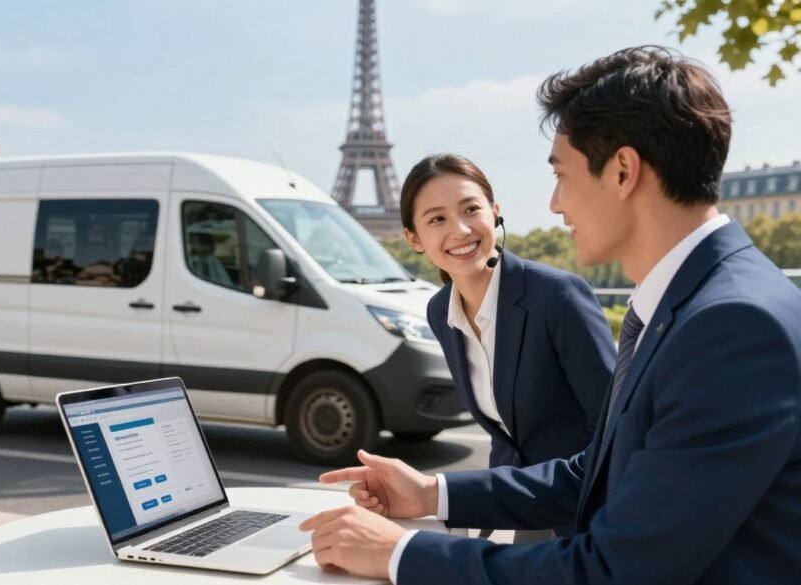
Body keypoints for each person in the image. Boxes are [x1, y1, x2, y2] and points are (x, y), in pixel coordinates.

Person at [300, 45, 801, 584]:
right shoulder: (697, 302)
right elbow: (601, 472)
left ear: (623, 171)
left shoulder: (730, 327)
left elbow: (618, 572)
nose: (555, 204)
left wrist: (399, 554)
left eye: (562, 175)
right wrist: (432, 492)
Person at [399, 153, 615, 541]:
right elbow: (508, 433)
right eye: (437, 219)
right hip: (510, 511)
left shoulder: (556, 296)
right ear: (413, 237)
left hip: (586, 517)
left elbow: (615, 432)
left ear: (495, 212)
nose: (461, 229)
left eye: (471, 209)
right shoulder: (440, 312)